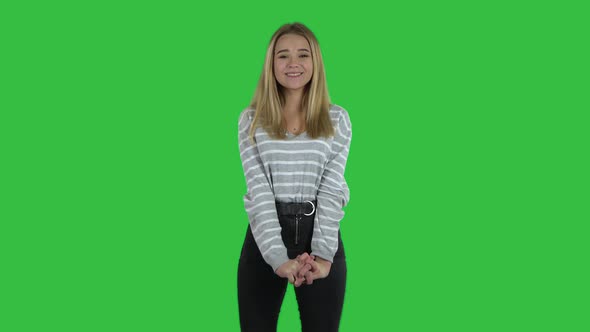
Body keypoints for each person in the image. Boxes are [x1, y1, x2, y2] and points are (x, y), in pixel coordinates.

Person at [237, 22, 352, 332]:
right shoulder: (251, 120)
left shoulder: (337, 119)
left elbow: (331, 189)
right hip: (264, 237)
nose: (293, 64)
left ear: (315, 62)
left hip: (321, 234)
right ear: (271, 63)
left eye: (303, 55)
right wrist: (277, 257)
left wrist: (323, 256)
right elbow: (258, 191)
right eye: (282, 56)